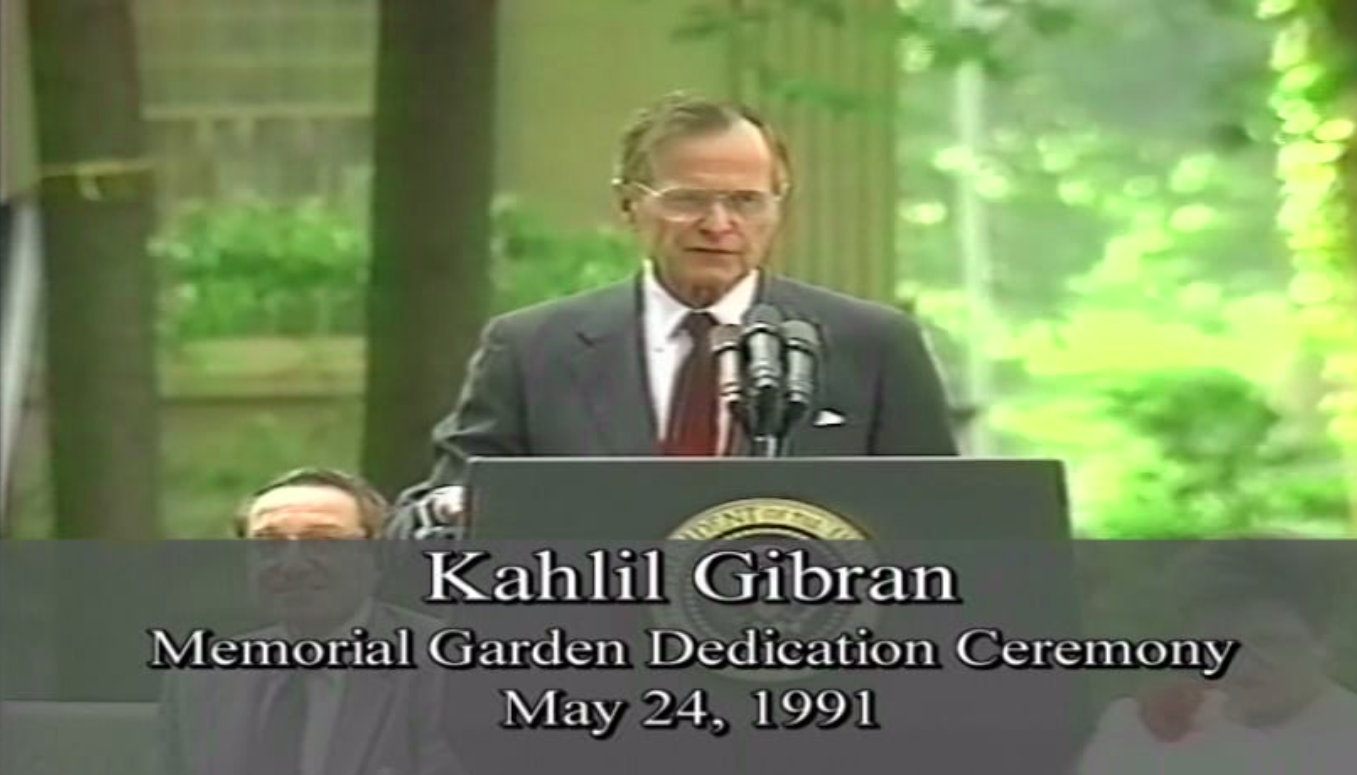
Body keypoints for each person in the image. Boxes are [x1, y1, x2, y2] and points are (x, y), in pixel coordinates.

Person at [389, 91, 958, 538]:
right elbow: (445, 504)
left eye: (745, 201)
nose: (717, 224)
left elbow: (949, 522)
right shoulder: (533, 347)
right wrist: (453, 509)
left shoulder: (873, 345)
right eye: (688, 200)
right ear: (628, 205)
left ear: (778, 208)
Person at [153, 467, 466, 775]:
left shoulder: (447, 667)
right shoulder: (204, 678)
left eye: (323, 541)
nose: (292, 565)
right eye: (269, 544)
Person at [1075, 537, 1357, 774]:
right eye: (1218, 642)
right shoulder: (1136, 728)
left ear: (1325, 638)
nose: (1242, 662)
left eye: (1269, 641)